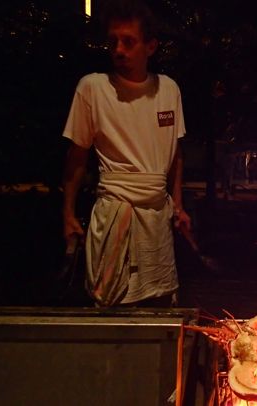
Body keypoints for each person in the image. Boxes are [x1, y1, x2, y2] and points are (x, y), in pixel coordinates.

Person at [62, 0, 190, 307]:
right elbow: (77, 157)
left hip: (157, 216)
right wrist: (67, 213)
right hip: (115, 211)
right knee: (111, 304)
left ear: (150, 46)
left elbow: (175, 154)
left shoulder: (168, 90)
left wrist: (179, 204)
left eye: (128, 42)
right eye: (113, 42)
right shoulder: (93, 88)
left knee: (158, 302)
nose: (118, 49)